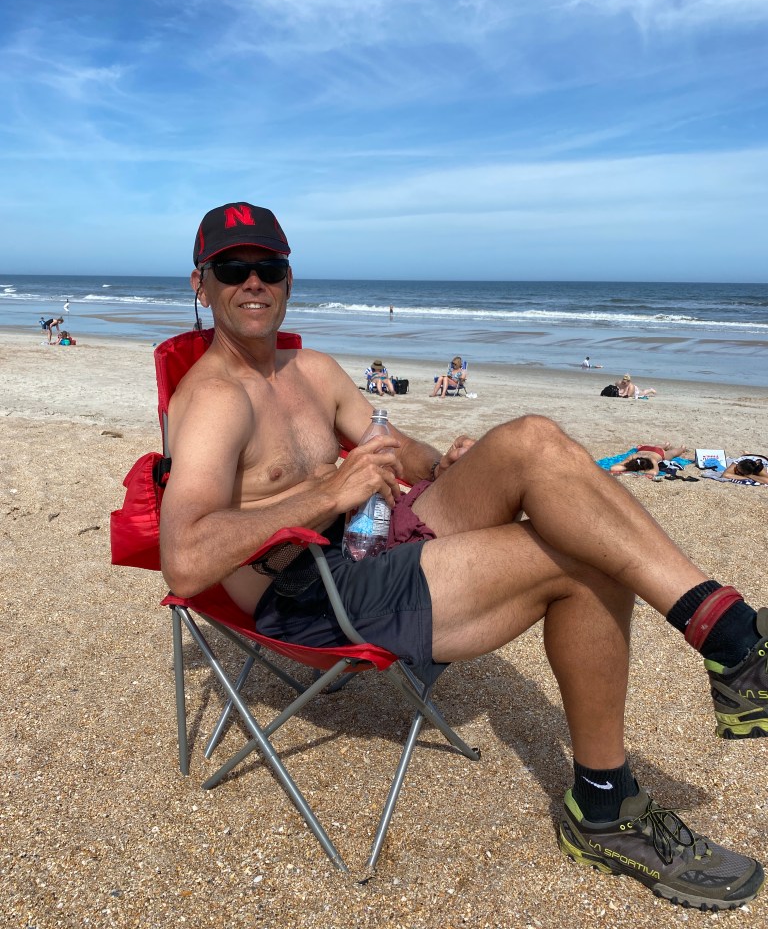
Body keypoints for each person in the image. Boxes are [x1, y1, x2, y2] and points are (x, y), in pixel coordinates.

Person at [160, 202, 767, 911]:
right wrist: (326, 492)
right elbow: (186, 558)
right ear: (201, 284)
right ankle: (606, 808)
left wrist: (446, 464)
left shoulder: (311, 370)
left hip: (371, 536)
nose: (253, 282)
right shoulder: (214, 401)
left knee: (531, 440)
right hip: (316, 591)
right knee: (586, 560)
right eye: (233, 268)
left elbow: (394, 447)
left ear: (290, 278)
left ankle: (733, 638)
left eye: (269, 266)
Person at [610, 443, 690, 477]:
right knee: (658, 448)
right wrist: (635, 469)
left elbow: (655, 472)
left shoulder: (634, 457)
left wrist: (632, 469)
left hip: (654, 451)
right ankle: (667, 444)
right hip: (648, 449)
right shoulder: (634, 456)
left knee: (672, 453)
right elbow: (613, 468)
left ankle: (681, 448)